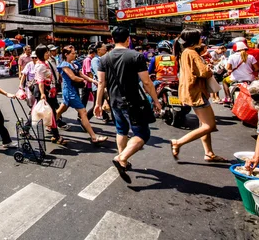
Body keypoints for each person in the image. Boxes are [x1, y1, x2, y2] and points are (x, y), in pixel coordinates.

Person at [96, 27, 161, 183]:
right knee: (143, 134)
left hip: (114, 101)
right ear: (128, 39)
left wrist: (98, 103)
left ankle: (123, 162)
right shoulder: (136, 56)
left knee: (121, 130)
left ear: (112, 40)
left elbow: (101, 83)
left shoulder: (104, 58)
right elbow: (146, 82)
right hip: (133, 101)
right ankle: (122, 157)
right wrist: (156, 100)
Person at [170, 29, 227, 163]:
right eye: (200, 37)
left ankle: (209, 153)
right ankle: (178, 142)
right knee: (210, 125)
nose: (202, 39)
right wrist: (208, 67)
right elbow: (204, 72)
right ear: (194, 39)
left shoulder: (185, 52)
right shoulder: (192, 53)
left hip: (191, 91)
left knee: (204, 124)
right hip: (197, 93)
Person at [57, 46, 106, 144]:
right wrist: (83, 81)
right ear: (66, 54)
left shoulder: (74, 64)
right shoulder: (64, 65)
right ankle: (93, 137)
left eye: (75, 53)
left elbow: (81, 74)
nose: (74, 55)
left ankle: (50, 124)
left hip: (73, 90)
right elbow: (73, 77)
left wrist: (93, 81)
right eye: (72, 53)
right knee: (83, 112)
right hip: (69, 91)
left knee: (60, 110)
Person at [33, 44, 67, 145]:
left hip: (49, 92)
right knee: (49, 113)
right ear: (41, 54)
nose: (48, 54)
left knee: (44, 112)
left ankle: (54, 135)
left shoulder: (46, 63)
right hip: (44, 93)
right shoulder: (40, 66)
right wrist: (43, 93)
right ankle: (56, 136)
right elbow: (40, 82)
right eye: (46, 52)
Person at [47, 45, 69, 129]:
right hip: (49, 86)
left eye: (55, 50)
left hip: (54, 85)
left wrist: (59, 77)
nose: (55, 52)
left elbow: (56, 70)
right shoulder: (47, 61)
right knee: (53, 105)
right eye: (52, 51)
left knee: (54, 104)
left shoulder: (55, 59)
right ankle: (55, 123)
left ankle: (56, 122)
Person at [81, 46, 96, 110]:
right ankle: (81, 114)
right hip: (87, 83)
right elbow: (89, 72)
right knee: (84, 99)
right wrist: (93, 80)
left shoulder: (89, 59)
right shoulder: (88, 60)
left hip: (89, 83)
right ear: (93, 53)